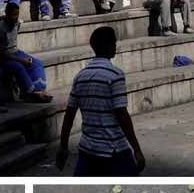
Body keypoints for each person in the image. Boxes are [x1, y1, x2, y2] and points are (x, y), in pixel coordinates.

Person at [55, 26, 146, 175]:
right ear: (110, 46)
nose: (115, 46)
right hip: (113, 148)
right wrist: (136, 149)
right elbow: (121, 113)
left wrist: (63, 146)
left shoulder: (80, 76)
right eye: (114, 43)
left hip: (87, 148)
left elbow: (69, 114)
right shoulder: (115, 75)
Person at [0, 1, 52, 103]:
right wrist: (22, 60)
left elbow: (14, 45)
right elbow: (2, 53)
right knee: (18, 66)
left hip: (16, 52)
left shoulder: (17, 24)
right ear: (7, 13)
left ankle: (39, 89)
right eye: (13, 15)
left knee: (37, 63)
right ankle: (30, 92)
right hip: (4, 58)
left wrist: (22, 58)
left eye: (17, 14)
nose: (16, 17)